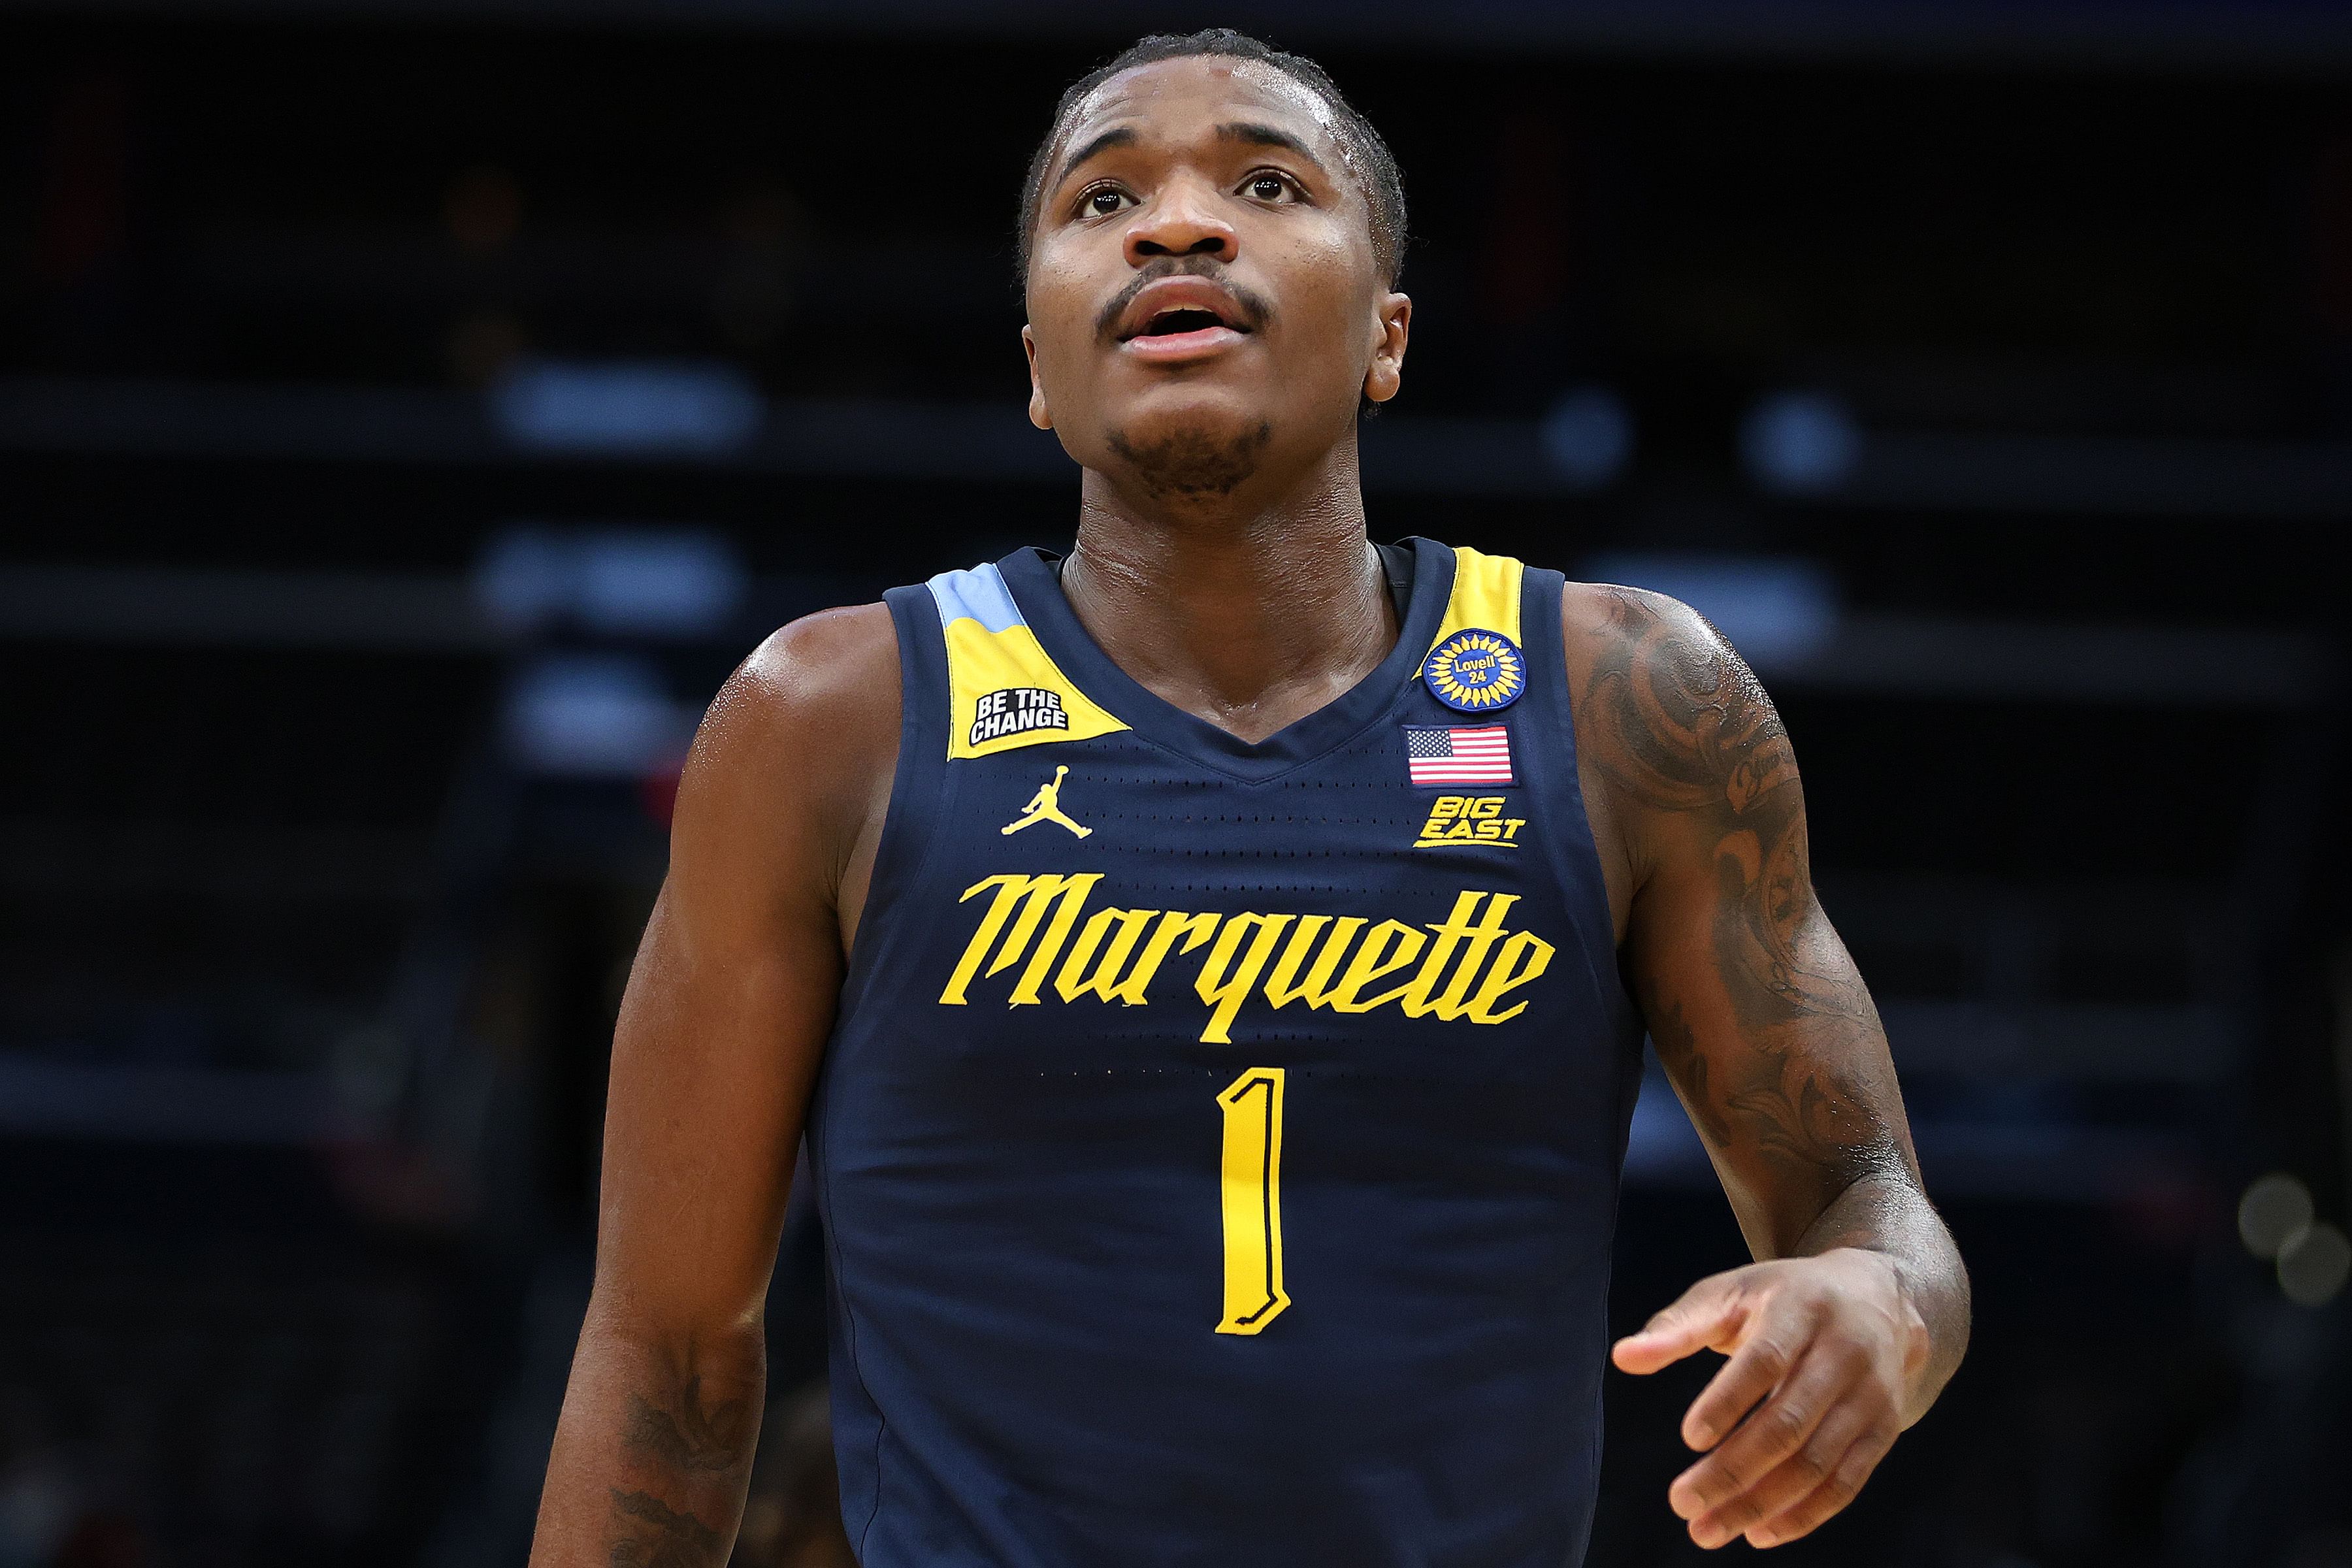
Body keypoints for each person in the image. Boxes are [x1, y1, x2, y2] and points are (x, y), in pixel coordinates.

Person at [528, 29, 1968, 1568]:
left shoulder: (1631, 704)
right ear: (1038, 364)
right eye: (1101, 201)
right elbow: (668, 1362)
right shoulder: (825, 722)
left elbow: (1871, 1201)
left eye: (1267, 181)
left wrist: (1877, 1306)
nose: (1176, 223)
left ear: (1388, 337)